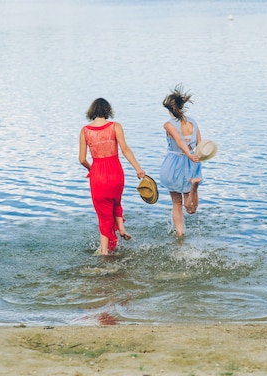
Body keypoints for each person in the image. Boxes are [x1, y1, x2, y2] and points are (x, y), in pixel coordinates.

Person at [79, 98, 145, 255]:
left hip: (98, 173)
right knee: (115, 201)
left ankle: (104, 252)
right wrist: (138, 169)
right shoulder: (116, 127)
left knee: (103, 213)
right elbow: (125, 149)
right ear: (107, 111)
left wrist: (92, 169)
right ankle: (121, 228)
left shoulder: (85, 131)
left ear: (92, 112)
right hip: (115, 171)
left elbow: (82, 159)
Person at [160, 84, 203, 238]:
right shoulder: (194, 123)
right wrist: (193, 157)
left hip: (175, 163)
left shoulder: (168, 124)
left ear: (171, 110)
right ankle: (194, 187)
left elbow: (178, 141)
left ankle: (180, 234)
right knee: (191, 209)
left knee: (176, 202)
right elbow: (200, 145)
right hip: (192, 163)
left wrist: (188, 154)